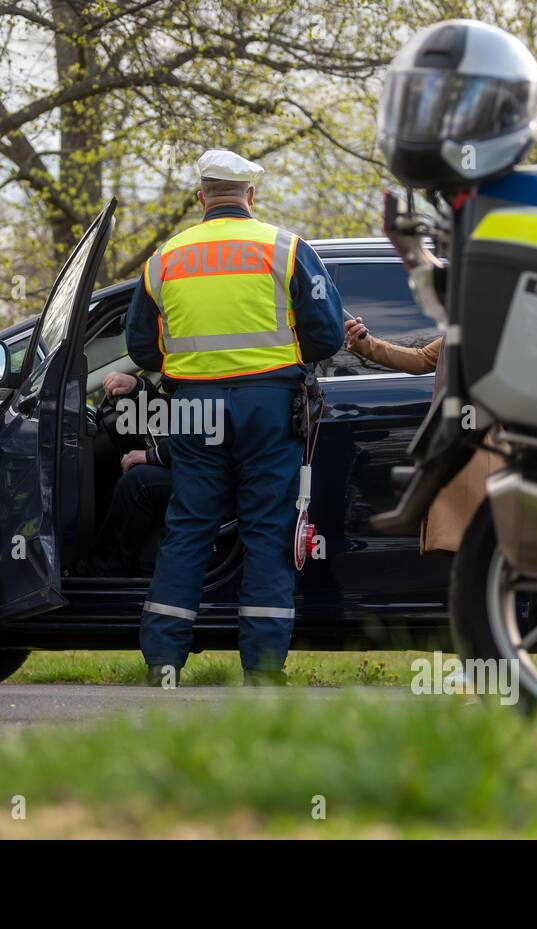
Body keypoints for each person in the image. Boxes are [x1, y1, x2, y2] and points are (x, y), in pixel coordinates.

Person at [126, 149, 345, 687]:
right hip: (269, 406)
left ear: (201, 198)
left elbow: (141, 348)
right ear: (250, 195)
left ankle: (163, 663)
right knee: (268, 533)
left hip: (193, 406)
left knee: (188, 529)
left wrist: (194, 367)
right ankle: (263, 670)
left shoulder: (164, 259)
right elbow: (328, 335)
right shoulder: (285, 248)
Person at [342, 318, 499, 554]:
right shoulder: (464, 329)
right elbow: (422, 358)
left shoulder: (498, 331)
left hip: (481, 445)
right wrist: (366, 342)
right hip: (461, 444)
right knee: (471, 547)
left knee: (482, 546)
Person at [84, 371, 174, 577]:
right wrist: (137, 387)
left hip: (217, 475)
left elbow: (207, 433)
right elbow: (175, 413)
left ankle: (100, 574)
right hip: (196, 462)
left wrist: (155, 455)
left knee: (138, 482)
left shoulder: (220, 376)